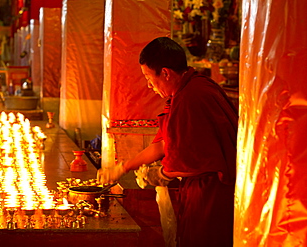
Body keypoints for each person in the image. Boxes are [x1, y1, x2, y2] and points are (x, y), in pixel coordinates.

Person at [97, 37, 238, 247]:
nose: (148, 85)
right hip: (200, 190)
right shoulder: (186, 90)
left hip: (210, 193)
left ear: (165, 73)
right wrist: (122, 168)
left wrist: (160, 175)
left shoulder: (193, 97)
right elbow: (163, 144)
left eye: (148, 77)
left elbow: (195, 161)